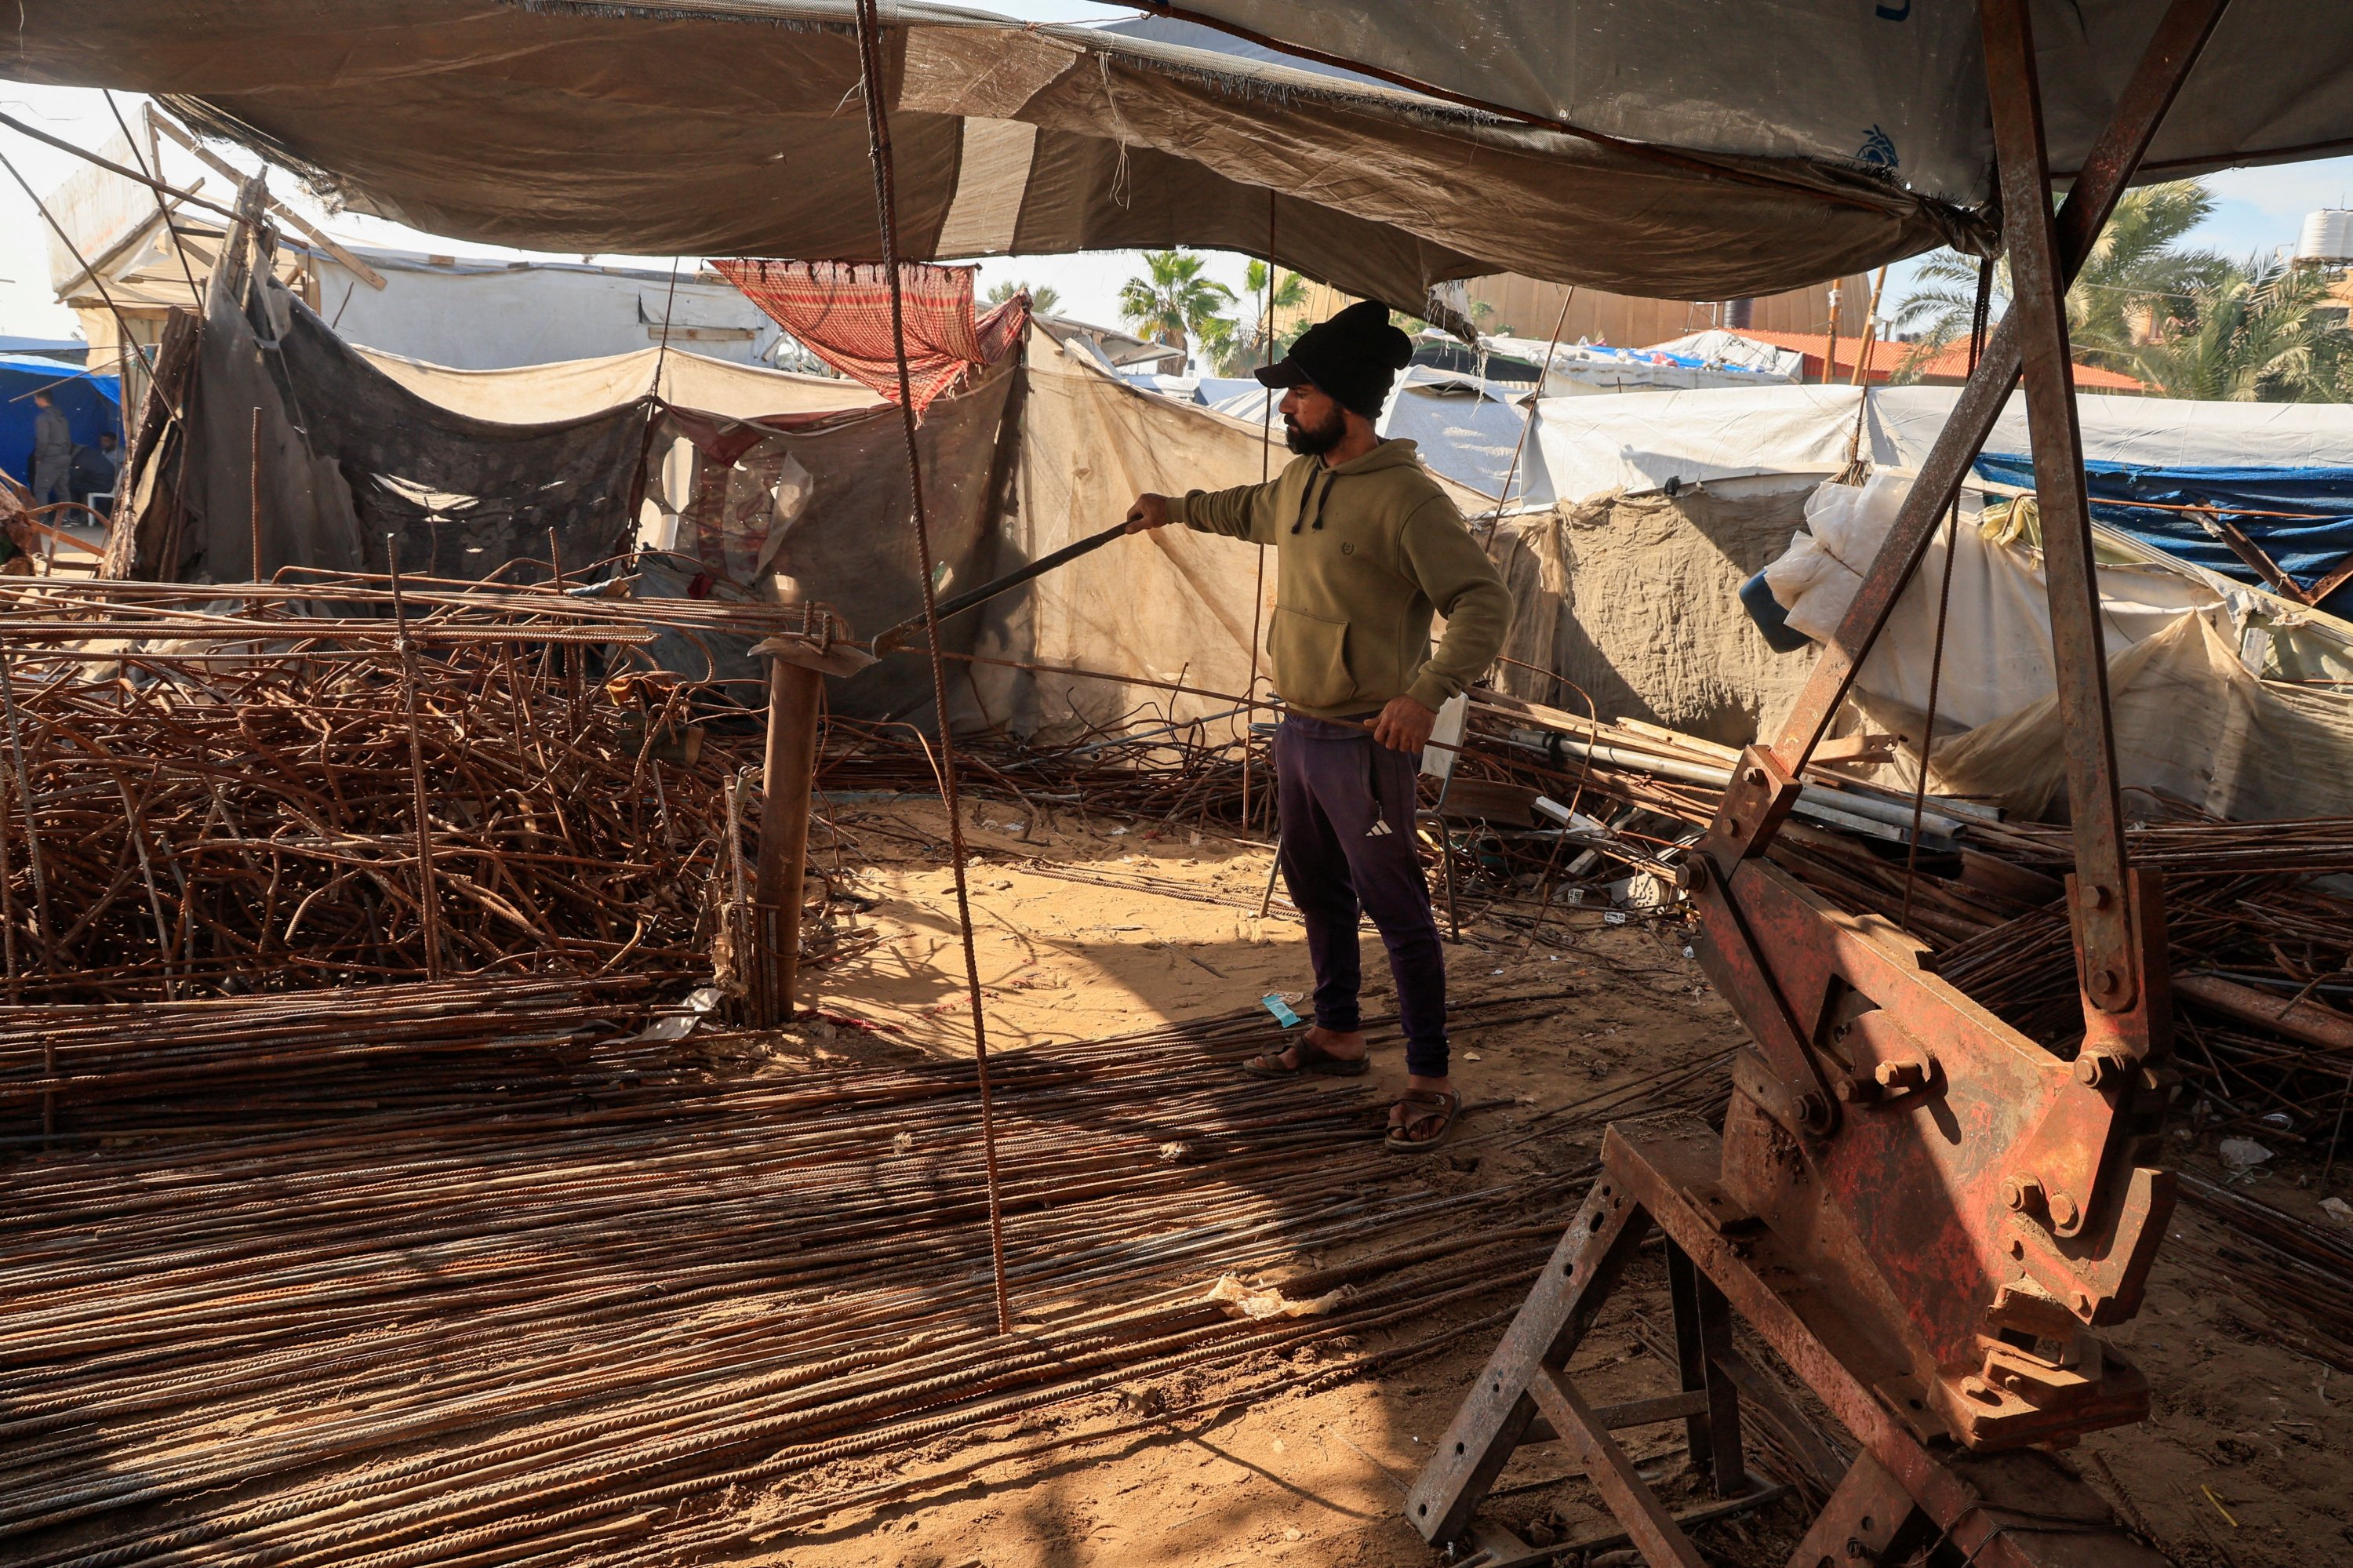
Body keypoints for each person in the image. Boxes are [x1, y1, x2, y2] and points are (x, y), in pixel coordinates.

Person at [1124, 301, 1511, 1151]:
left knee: (1397, 906)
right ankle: (1337, 1032)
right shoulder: (1302, 482)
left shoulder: (1408, 501)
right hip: (1299, 732)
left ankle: (1429, 1077)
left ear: (1345, 399)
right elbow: (1246, 509)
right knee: (1316, 889)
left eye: (1299, 392)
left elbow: (1484, 600)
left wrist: (1428, 691)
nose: (1286, 407)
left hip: (1369, 744)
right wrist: (1174, 507)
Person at [28, 391, 72, 508]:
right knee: (62, 489)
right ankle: (65, 518)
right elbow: (68, 439)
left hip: (50, 457)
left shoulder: (43, 418)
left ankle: (42, 519)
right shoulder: (62, 418)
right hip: (64, 456)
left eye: (35, 399)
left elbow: (42, 440)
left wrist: (39, 457)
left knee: (41, 489)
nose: (35, 402)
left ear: (41, 399)